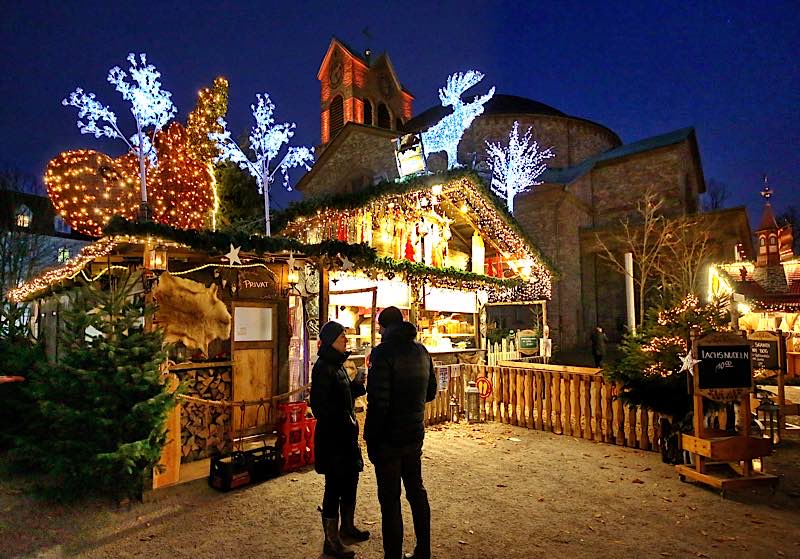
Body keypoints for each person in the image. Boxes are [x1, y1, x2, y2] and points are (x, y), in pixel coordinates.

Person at [365, 306, 437, 559]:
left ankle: (393, 555)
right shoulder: (421, 351)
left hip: (388, 438)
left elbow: (378, 402)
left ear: (383, 328)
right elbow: (431, 393)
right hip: (414, 434)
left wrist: (370, 438)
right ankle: (423, 550)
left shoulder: (382, 353)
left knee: (390, 499)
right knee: (416, 490)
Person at [309, 321, 369, 559]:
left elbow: (341, 391)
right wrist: (341, 419)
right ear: (331, 340)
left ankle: (347, 527)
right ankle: (331, 541)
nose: (346, 339)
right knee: (334, 487)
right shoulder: (323, 367)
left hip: (347, 435)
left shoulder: (338, 364)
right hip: (334, 438)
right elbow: (319, 405)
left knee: (350, 481)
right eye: (342, 336)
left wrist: (357, 387)